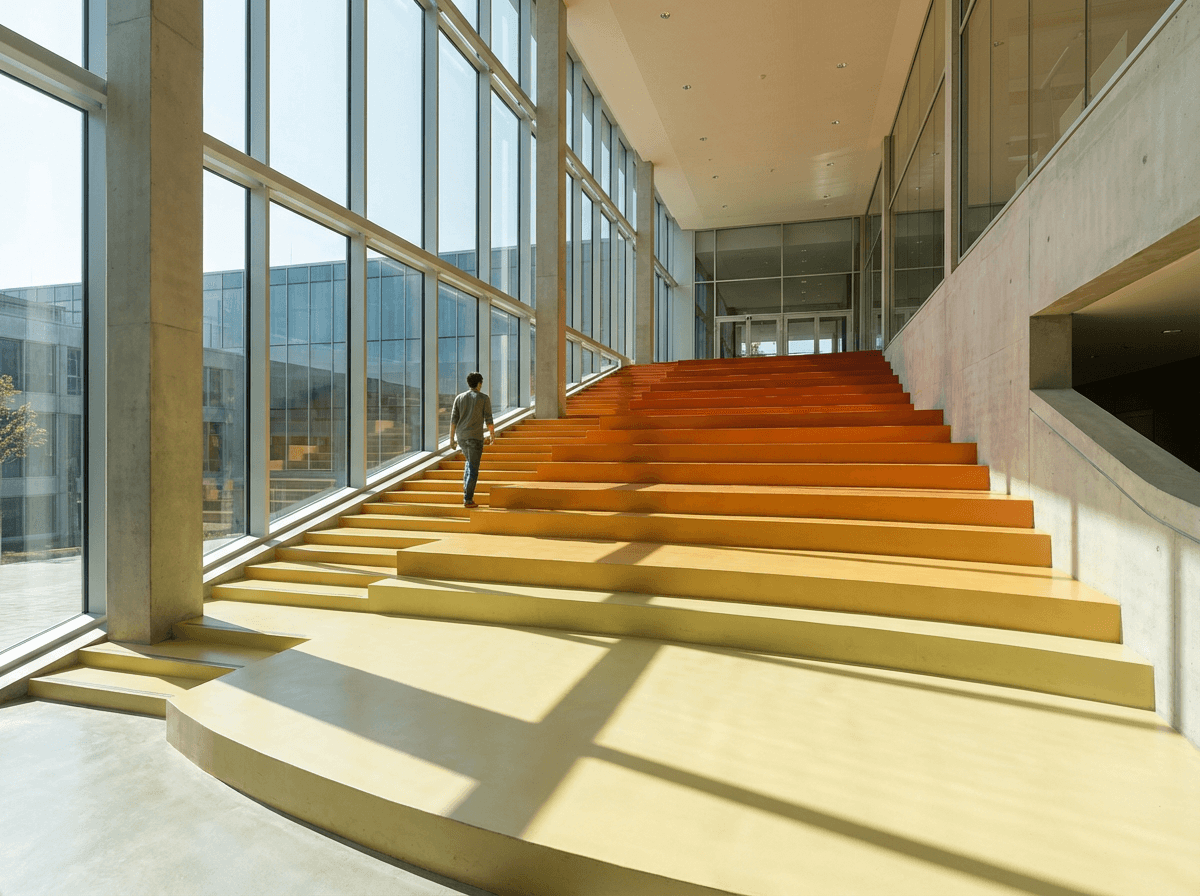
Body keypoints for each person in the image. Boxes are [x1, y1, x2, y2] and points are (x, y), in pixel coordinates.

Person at [448, 371, 495, 509]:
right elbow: (488, 419)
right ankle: (468, 499)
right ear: (479, 384)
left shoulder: (459, 398)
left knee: (469, 463)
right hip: (475, 437)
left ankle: (466, 492)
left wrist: (451, 438)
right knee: (474, 468)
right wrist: (492, 434)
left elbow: (453, 420)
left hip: (461, 437)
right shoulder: (484, 398)